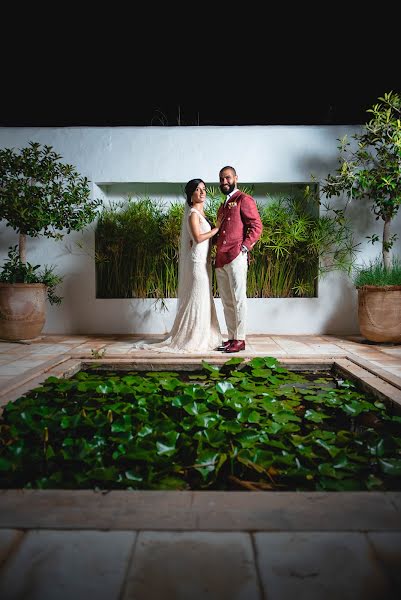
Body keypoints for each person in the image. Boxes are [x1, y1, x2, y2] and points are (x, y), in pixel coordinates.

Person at [132, 178, 222, 353]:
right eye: (197, 189)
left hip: (205, 263)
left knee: (204, 299)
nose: (202, 192)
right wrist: (216, 229)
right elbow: (197, 238)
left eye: (203, 189)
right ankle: (192, 337)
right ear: (191, 195)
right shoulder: (193, 215)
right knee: (197, 299)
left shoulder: (202, 214)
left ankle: (204, 334)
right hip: (197, 264)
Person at [215, 166, 263, 353]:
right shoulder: (223, 205)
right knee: (227, 300)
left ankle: (240, 339)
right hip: (220, 258)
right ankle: (231, 337)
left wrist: (244, 248)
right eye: (221, 179)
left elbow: (256, 226)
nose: (224, 182)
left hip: (236, 256)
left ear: (236, 178)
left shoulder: (244, 199)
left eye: (227, 178)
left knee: (238, 299)